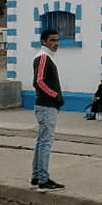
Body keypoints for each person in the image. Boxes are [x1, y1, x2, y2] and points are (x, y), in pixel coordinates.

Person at [31, 28, 64, 189]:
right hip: (46, 106)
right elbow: (39, 81)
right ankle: (43, 178)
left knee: (41, 141)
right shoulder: (43, 57)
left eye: (57, 40)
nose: (55, 43)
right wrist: (55, 95)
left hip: (46, 105)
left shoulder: (46, 56)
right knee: (45, 142)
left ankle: (37, 175)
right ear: (44, 41)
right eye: (52, 40)